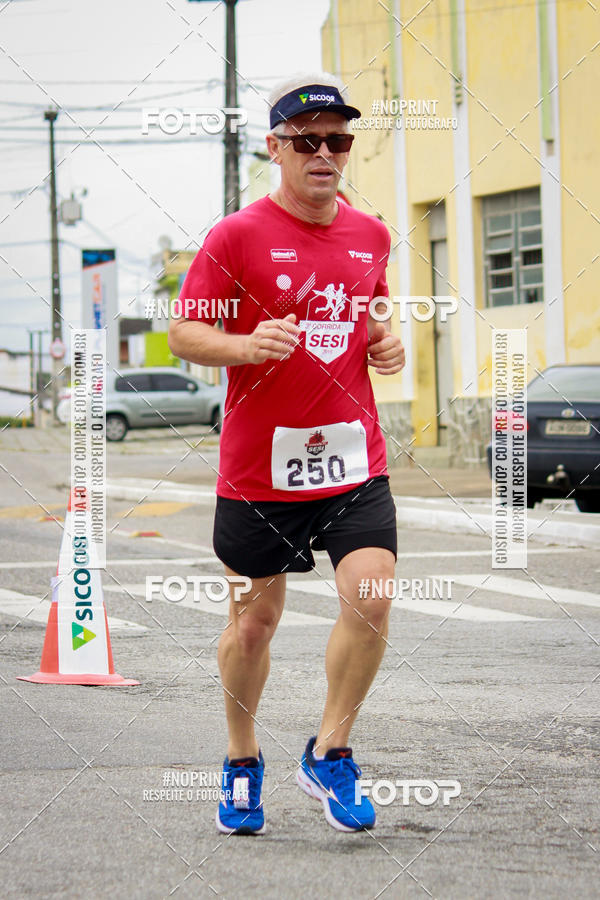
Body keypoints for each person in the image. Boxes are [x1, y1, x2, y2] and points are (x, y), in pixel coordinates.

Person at [168, 73, 405, 835]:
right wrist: (242, 343)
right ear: (275, 148)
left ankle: (331, 749)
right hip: (259, 469)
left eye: (338, 140)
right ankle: (242, 760)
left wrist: (384, 340)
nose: (325, 153)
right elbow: (184, 333)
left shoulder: (371, 234)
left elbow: (367, 311)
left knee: (371, 599)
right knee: (253, 625)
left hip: (350, 460)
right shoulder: (235, 237)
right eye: (308, 141)